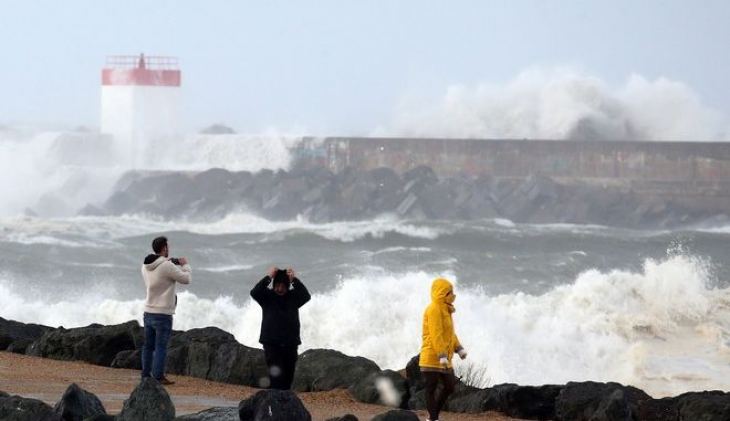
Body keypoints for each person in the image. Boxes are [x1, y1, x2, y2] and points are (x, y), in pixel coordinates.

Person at [140, 236, 192, 385]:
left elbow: (159, 273)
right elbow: (186, 279)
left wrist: (169, 264)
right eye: (167, 247)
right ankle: (158, 376)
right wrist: (185, 265)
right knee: (161, 347)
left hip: (148, 311)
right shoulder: (167, 267)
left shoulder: (145, 265)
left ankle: (145, 375)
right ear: (164, 248)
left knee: (148, 346)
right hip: (163, 313)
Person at [250, 267, 311, 390]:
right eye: (277, 285)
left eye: (283, 286)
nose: (280, 289)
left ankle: (285, 404)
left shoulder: (293, 297)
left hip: (290, 344)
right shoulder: (267, 297)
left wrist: (294, 279)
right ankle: (274, 404)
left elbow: (306, 296)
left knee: (288, 378)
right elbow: (254, 292)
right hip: (271, 344)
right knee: (276, 377)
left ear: (288, 286)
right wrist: (269, 277)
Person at [419, 277, 468, 421]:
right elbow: (436, 334)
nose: (453, 295)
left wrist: (458, 348)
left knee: (450, 386)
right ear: (441, 293)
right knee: (431, 388)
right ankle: (433, 418)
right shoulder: (434, 309)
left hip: (445, 358)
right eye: (449, 292)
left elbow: (450, 334)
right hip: (432, 357)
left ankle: (433, 416)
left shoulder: (446, 310)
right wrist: (441, 355)